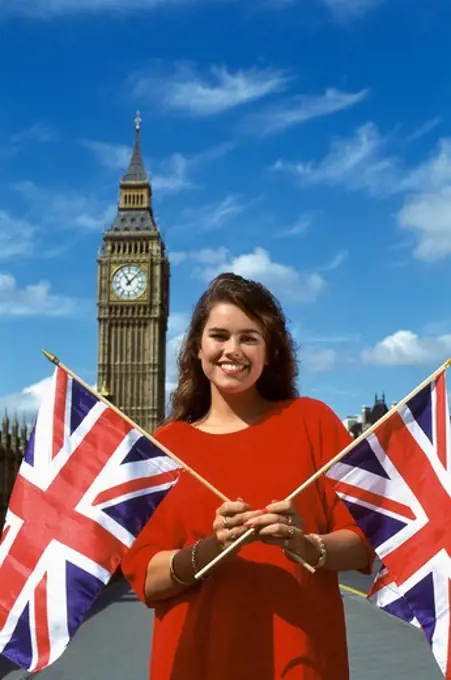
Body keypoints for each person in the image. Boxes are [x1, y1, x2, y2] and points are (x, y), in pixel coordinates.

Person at [121, 272, 373, 680]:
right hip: (195, 664)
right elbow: (145, 579)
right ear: (198, 348)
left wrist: (305, 544)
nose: (232, 350)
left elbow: (364, 544)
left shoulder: (313, 422)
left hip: (302, 663)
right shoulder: (164, 449)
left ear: (270, 350)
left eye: (248, 338)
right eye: (219, 336)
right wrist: (211, 549)